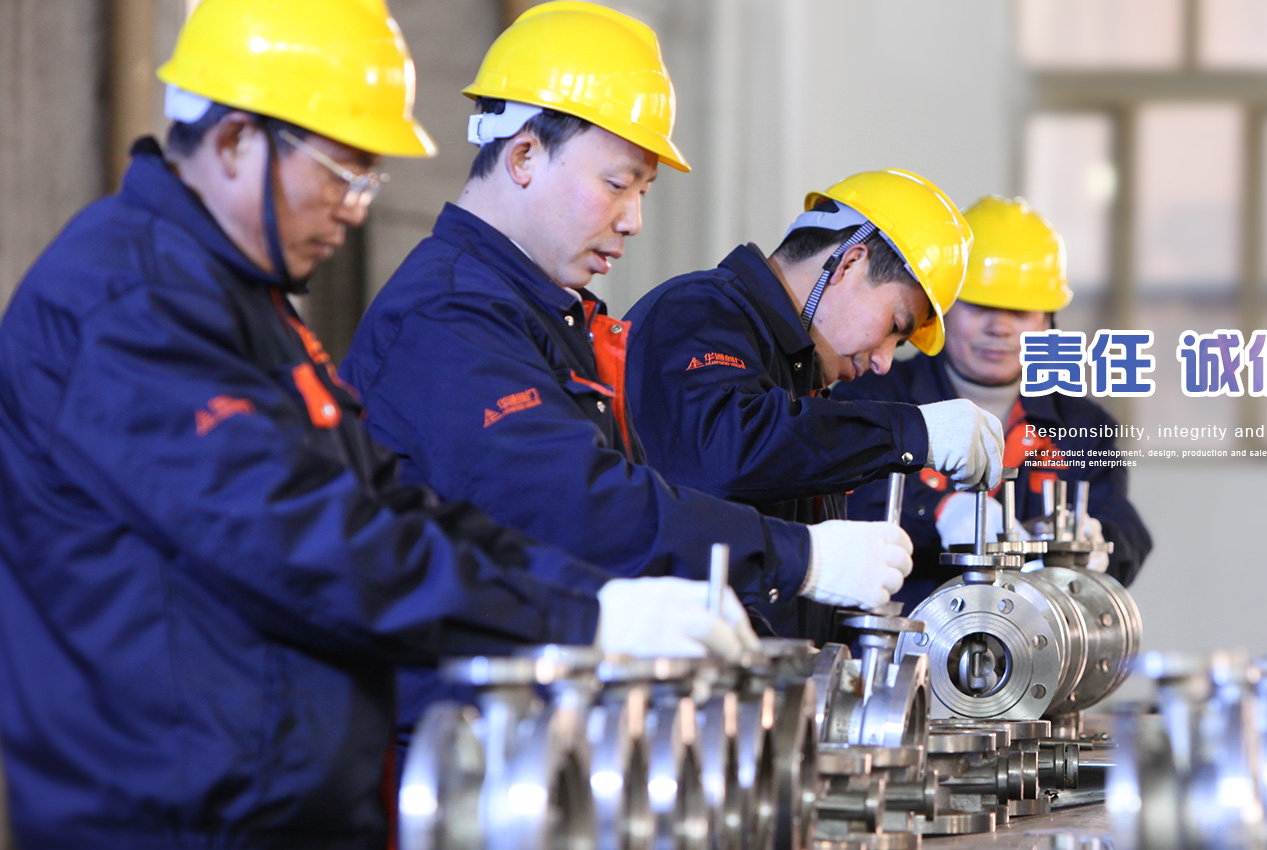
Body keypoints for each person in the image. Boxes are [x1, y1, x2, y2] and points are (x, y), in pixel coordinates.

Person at [0, 1, 748, 844]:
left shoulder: (242, 304)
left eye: (366, 181)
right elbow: (302, 541)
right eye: (342, 173)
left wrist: (601, 598)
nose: (355, 209)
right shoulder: (127, 302)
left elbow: (389, 506)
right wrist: (588, 622)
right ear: (237, 141)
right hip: (173, 825)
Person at [339, 1, 909, 644]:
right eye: (617, 184)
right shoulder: (449, 314)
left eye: (643, 192)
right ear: (523, 157)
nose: (634, 220)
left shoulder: (541, 313)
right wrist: (801, 556)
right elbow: (572, 502)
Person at [621, 169, 1004, 639]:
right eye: (894, 327)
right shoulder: (697, 311)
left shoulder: (801, 380)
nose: (884, 362)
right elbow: (726, 446)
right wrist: (913, 432)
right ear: (849, 264)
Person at [836, 196, 1153, 609]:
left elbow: (1127, 528)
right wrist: (939, 510)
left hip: (1032, 640)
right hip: (904, 635)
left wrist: (1100, 543)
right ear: (944, 307)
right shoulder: (872, 397)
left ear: (1047, 321)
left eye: (1019, 311)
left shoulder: (1084, 426)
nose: (999, 327)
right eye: (981, 306)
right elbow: (838, 499)